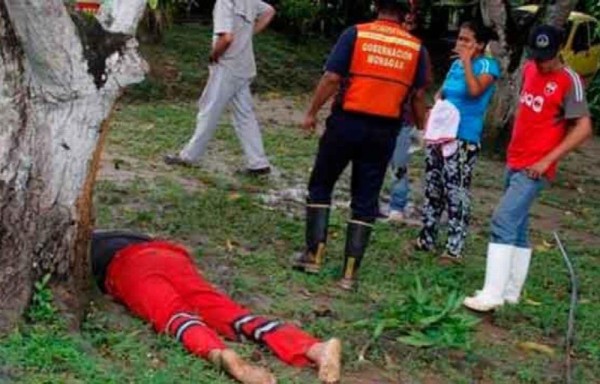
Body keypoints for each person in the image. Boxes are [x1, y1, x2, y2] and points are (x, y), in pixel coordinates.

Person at [293, 0, 429, 290]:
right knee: (366, 198)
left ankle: (314, 256)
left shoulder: (356, 34)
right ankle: (349, 275)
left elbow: (332, 78)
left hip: (346, 123)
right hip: (383, 132)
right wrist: (423, 128)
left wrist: (311, 113)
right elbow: (418, 96)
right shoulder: (416, 49)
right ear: (405, 14)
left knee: (322, 183)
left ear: (376, 6)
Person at [91, 230, 342, 384]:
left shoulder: (82, 244)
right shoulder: (109, 234)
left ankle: (221, 355)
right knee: (230, 313)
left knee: (173, 315)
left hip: (126, 267)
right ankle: (314, 348)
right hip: (167, 254)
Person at [463, 25, 593, 312]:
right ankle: (510, 292)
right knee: (518, 227)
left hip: (536, 167)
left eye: (546, 56)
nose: (541, 61)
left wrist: (547, 160)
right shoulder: (530, 69)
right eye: (536, 55)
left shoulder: (569, 80)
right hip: (516, 159)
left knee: (502, 221)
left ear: (558, 51)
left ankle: (492, 294)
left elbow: (584, 127)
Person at [415, 21, 500, 264]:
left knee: (456, 190)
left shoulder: (487, 66)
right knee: (433, 186)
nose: (460, 44)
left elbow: (474, 91)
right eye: (459, 39)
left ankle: (454, 247)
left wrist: (466, 61)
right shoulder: (454, 66)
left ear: (480, 45)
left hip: (464, 137)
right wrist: (437, 104)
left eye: (466, 40)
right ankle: (427, 237)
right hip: (442, 133)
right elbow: (443, 92)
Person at [164, 0, 275, 176]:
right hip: (244, 65)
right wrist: (248, 36)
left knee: (208, 110)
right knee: (244, 115)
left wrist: (214, 55)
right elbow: (269, 11)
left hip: (227, 66)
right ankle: (258, 163)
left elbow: (227, 38)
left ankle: (189, 156)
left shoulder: (224, 2)